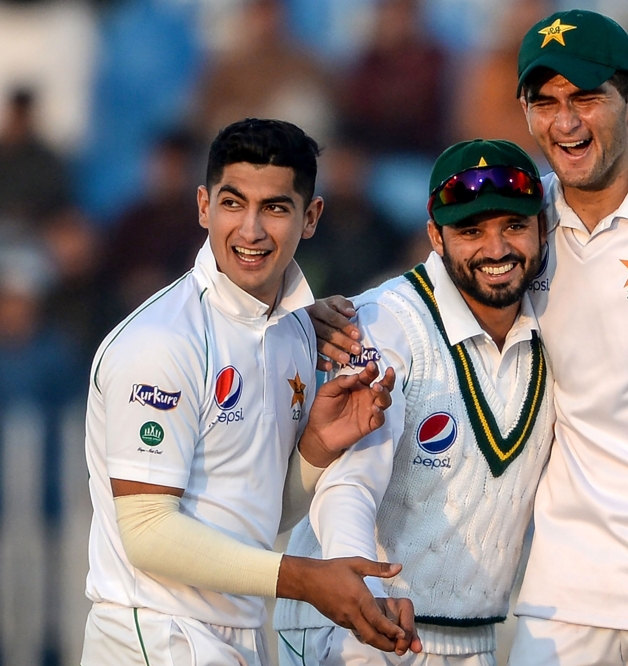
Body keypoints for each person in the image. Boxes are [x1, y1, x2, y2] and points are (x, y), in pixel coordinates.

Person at [309, 11, 628, 664]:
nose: (566, 122)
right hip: (559, 600)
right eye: (545, 102)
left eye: (585, 99)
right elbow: (419, 295)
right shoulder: (527, 208)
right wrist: (320, 315)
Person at [81, 118, 417, 665]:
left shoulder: (296, 332)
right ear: (203, 207)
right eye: (233, 203)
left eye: (277, 208)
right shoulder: (161, 342)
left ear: (311, 217)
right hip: (152, 634)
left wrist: (317, 449)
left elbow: (256, 517)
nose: (251, 230)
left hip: (237, 632)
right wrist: (304, 579)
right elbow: (147, 532)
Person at [274, 138, 554, 666]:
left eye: (513, 226)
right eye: (471, 231)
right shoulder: (383, 324)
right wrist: (362, 589)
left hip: (473, 638)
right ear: (435, 236)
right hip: (358, 629)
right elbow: (349, 481)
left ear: (542, 228)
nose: (496, 249)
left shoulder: (552, 324)